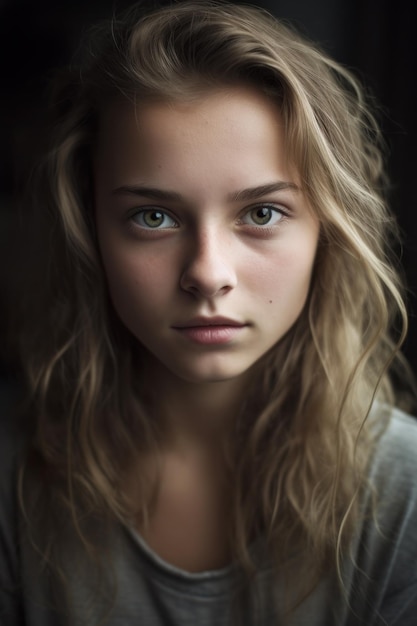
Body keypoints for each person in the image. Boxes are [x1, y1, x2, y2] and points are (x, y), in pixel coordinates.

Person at [1, 1, 417, 624]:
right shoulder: (11, 475)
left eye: (262, 213)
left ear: (327, 231)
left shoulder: (403, 496)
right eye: (153, 217)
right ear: (90, 232)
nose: (207, 274)